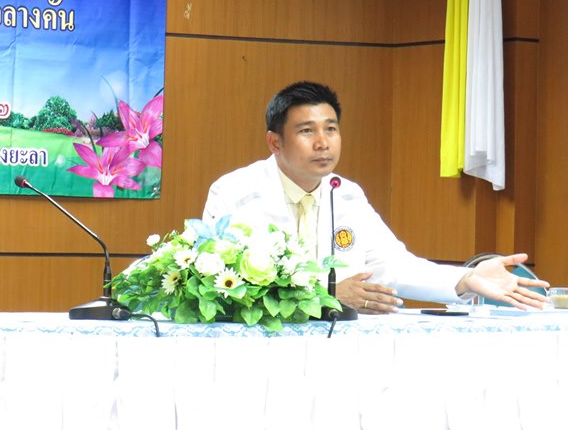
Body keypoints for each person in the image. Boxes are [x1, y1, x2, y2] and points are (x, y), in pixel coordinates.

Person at [202, 81, 548, 314]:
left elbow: (393, 266)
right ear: (275, 142)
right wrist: (325, 296)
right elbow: (220, 289)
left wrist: (465, 279)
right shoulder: (234, 193)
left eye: (331, 129)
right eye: (307, 131)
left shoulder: (346, 194)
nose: (323, 143)